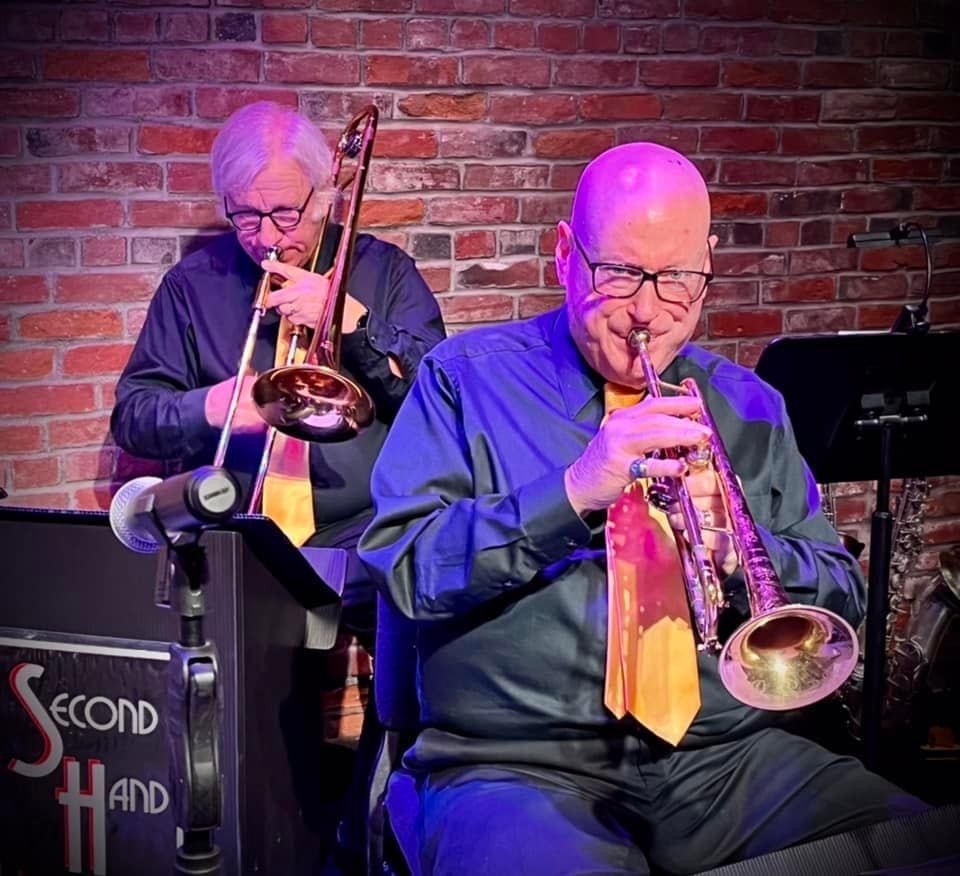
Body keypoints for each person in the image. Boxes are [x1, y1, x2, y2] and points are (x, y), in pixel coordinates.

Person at [357, 143, 925, 875]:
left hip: (725, 760)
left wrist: (740, 549)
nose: (648, 311)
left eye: (677, 278)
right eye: (620, 272)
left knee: (916, 847)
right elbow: (404, 566)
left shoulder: (749, 406)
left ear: (707, 265)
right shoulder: (464, 381)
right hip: (516, 764)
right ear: (566, 254)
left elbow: (839, 592)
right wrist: (573, 491)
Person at [111, 101, 445, 870]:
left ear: (326, 196)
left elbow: (437, 389)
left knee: (414, 674)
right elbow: (133, 414)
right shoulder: (193, 286)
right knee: (244, 714)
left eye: (285, 213)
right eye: (245, 216)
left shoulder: (383, 271)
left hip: (363, 530)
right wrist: (209, 406)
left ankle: (365, 840)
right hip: (248, 532)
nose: (267, 237)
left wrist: (352, 321)